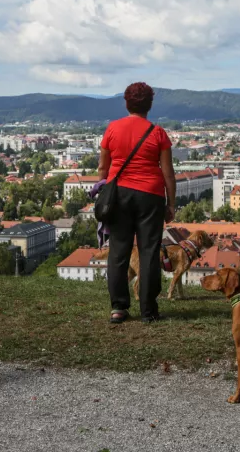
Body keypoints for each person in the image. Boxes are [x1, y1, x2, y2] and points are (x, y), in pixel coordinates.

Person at [98, 82, 176, 324]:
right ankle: (148, 310)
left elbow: (103, 167)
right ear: (150, 105)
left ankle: (118, 308)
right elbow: (168, 173)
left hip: (119, 195)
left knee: (118, 252)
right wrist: (171, 204)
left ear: (126, 102)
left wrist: (103, 190)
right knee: (149, 252)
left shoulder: (112, 129)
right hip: (150, 196)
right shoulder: (158, 133)